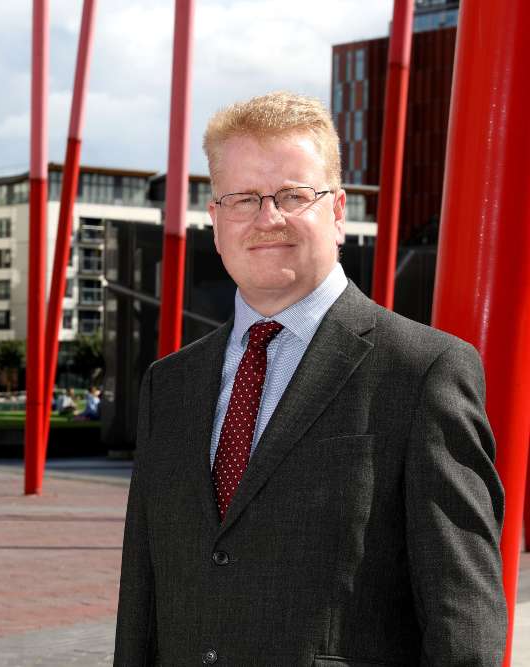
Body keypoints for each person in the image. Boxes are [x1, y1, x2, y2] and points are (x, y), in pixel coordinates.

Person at [114, 92, 506, 666]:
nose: (268, 218)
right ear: (217, 219)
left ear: (339, 210)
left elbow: (461, 618)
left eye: (294, 196)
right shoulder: (168, 385)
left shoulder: (424, 372)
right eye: (244, 198)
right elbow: (142, 600)